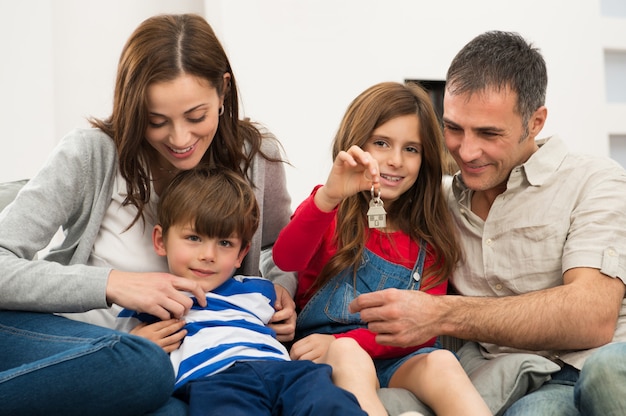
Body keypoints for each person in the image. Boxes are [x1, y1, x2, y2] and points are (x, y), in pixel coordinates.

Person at [0, 13, 296, 415]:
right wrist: (114, 284)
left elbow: (279, 248)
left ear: (223, 90)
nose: (179, 139)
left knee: (171, 405)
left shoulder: (255, 157)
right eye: (156, 121)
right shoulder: (91, 154)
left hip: (160, 361)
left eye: (196, 117)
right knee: (145, 367)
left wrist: (283, 297)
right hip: (57, 336)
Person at [349, 31, 626, 415]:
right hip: (507, 379)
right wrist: (285, 290)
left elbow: (591, 316)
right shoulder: (437, 202)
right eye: (454, 128)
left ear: (535, 122)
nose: (466, 150)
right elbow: (346, 232)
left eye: (488, 133)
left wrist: (443, 314)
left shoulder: (595, 179)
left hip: (590, 364)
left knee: (605, 372)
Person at [273, 81, 491, 416]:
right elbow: (285, 258)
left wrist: (357, 342)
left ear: (426, 159)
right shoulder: (329, 208)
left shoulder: (429, 236)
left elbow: (423, 328)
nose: (395, 161)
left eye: (411, 149)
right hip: (328, 352)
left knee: (443, 361)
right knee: (347, 351)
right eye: (382, 143)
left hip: (399, 355)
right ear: (357, 144)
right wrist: (328, 196)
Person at [117, 167, 367, 416]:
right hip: (215, 380)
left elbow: (291, 308)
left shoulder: (259, 290)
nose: (208, 256)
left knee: (329, 402)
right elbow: (117, 351)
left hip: (284, 372)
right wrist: (139, 344)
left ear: (241, 254)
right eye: (194, 238)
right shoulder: (152, 297)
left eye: (225, 243)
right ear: (161, 241)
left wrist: (288, 314)